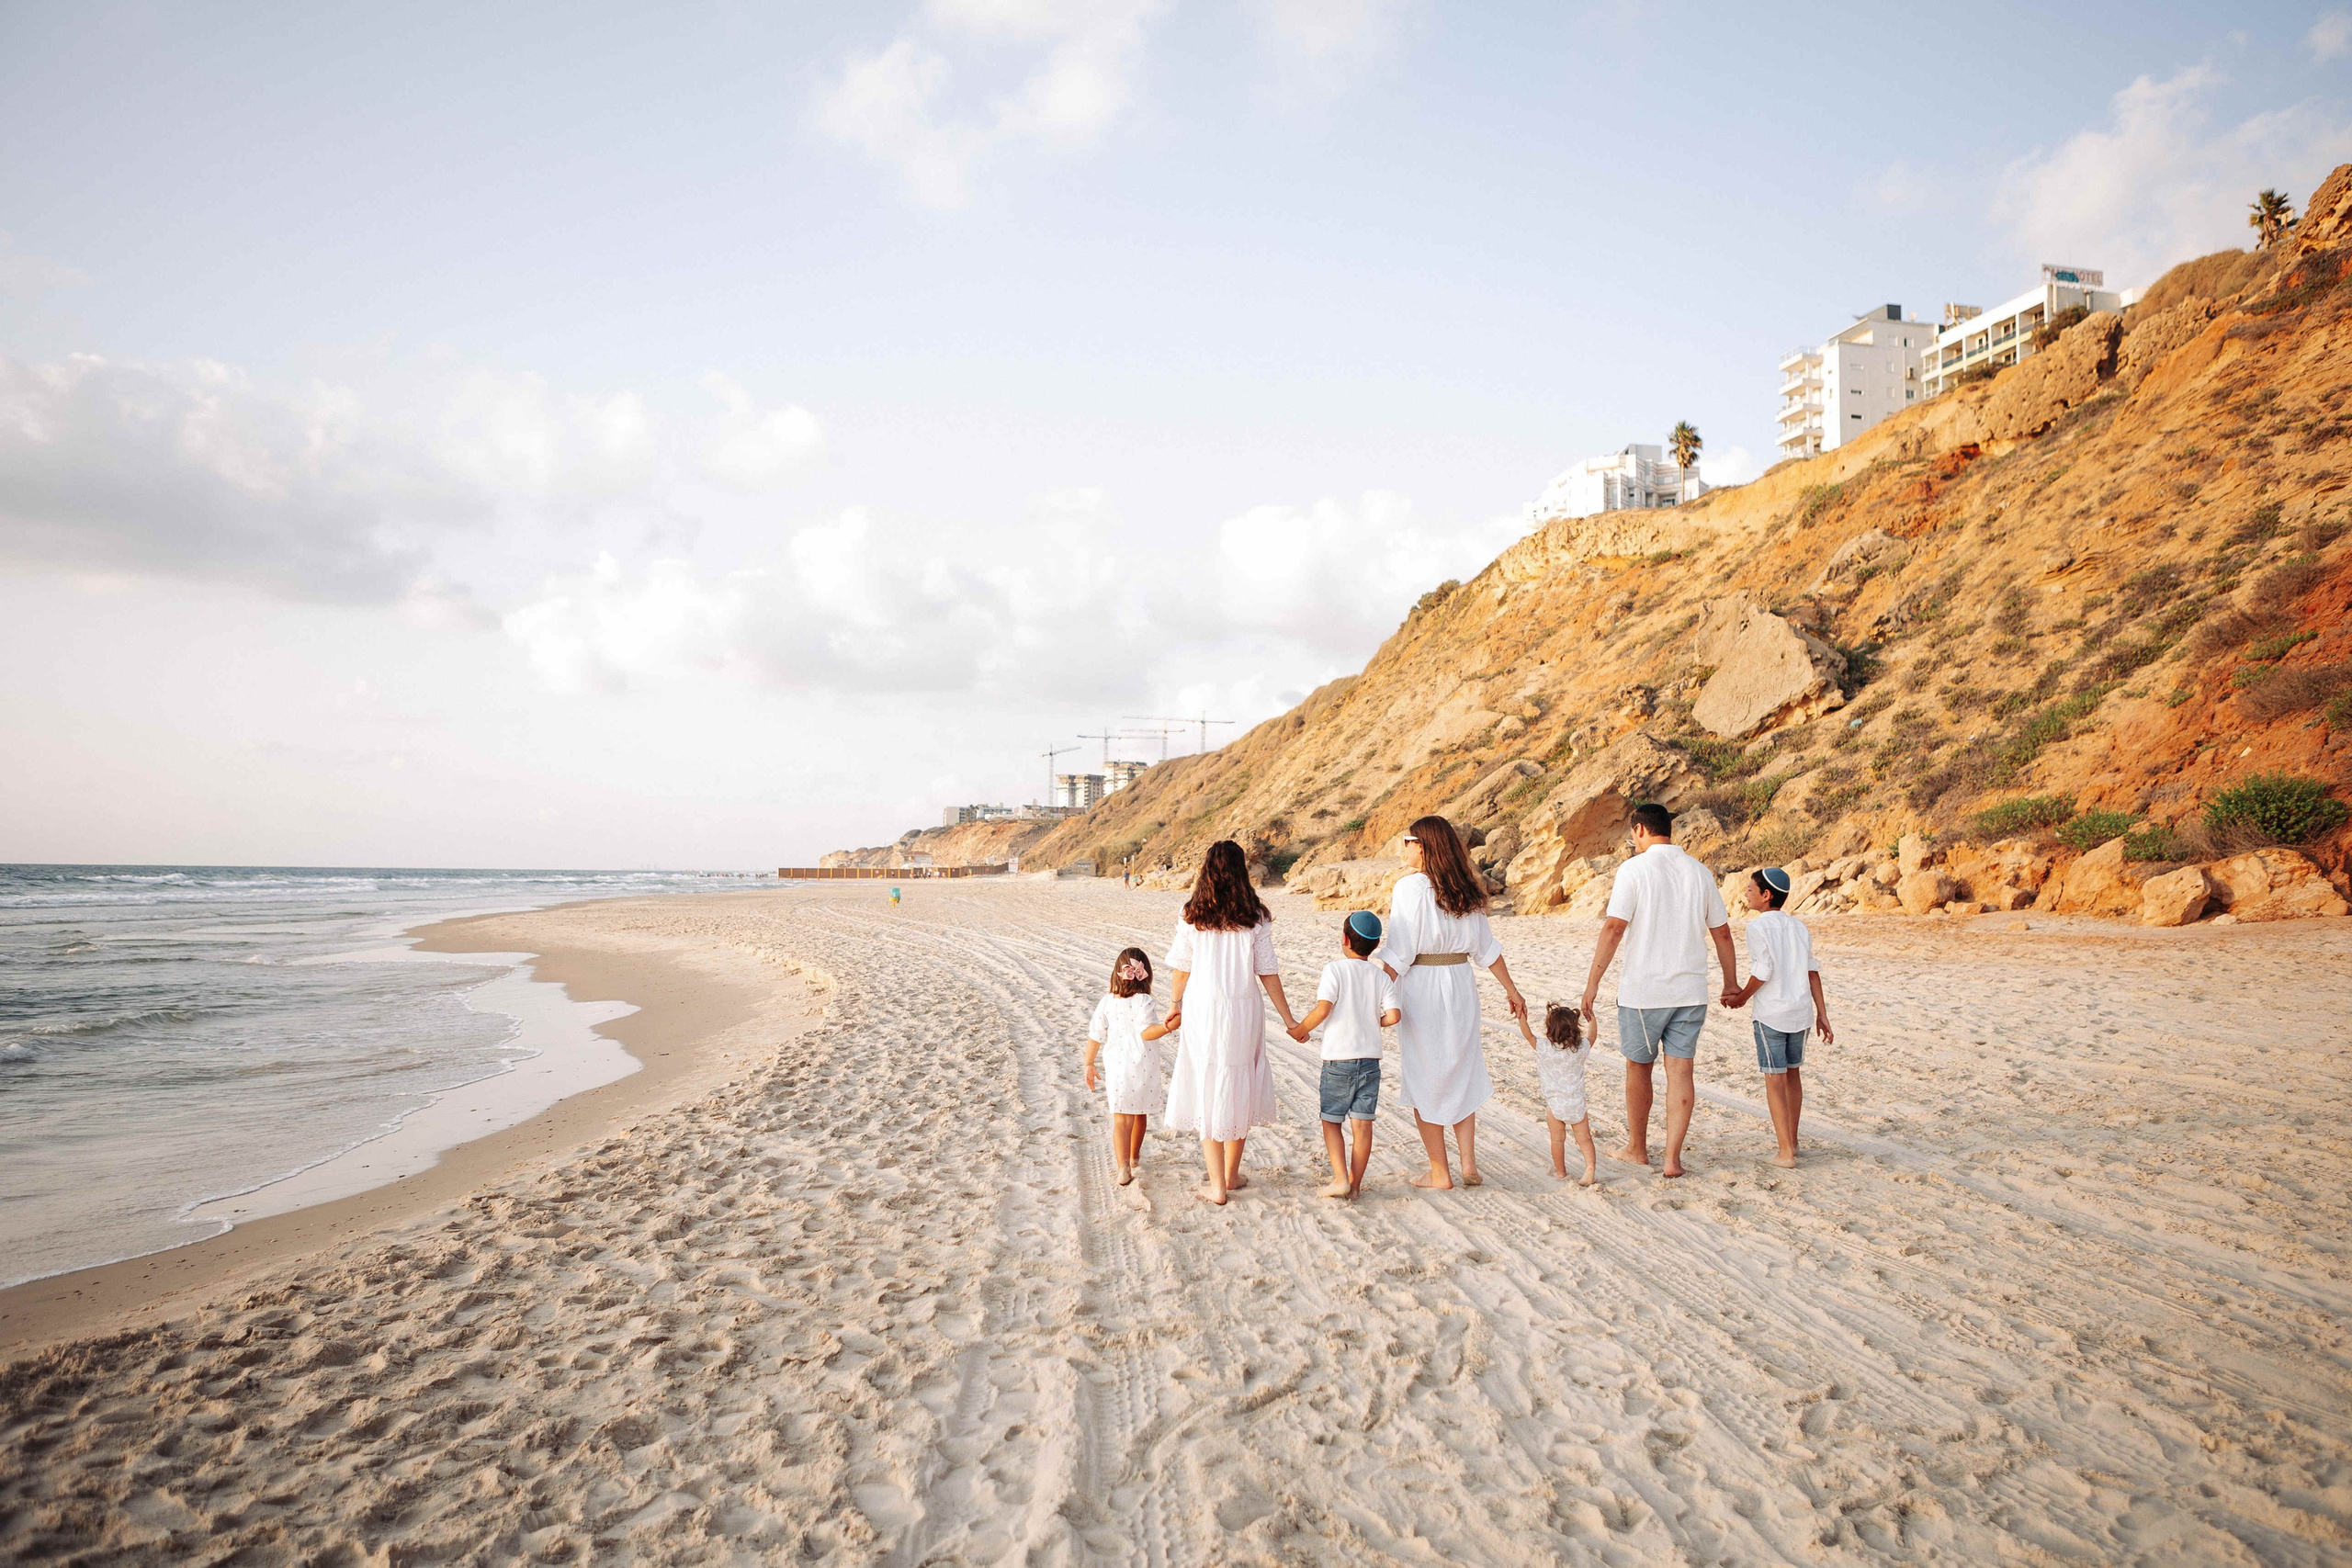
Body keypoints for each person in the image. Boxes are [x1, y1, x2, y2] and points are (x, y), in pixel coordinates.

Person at [1578, 802, 1739, 1179]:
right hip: (1690, 991)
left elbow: (1614, 927)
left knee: (1639, 1068)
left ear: (1639, 830)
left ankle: (1637, 1148)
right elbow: (1723, 932)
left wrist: (1593, 983)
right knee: (1681, 1071)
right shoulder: (1700, 872)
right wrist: (1730, 982)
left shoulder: (1634, 869)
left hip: (1643, 992)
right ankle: (1672, 1159)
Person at [1375, 815, 1528, 1190]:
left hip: (1423, 986)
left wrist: (1373, 993)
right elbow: (1486, 949)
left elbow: (1399, 952)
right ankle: (1469, 1164)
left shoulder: (1410, 888)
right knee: (1462, 1067)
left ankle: (1439, 1171)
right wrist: (1512, 989)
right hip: (1460, 984)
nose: (1405, 847)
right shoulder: (1466, 887)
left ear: (1424, 846)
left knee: (1424, 1074)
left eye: (1409, 840)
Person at [1164, 840, 1297, 1204]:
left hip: (1202, 1008)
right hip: (1243, 1009)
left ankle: (1217, 1185)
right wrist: (1289, 1019)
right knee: (1238, 1081)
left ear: (1206, 870)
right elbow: (1267, 973)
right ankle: (1231, 1174)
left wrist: (1175, 1005)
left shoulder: (1192, 913)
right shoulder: (1255, 915)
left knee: (1208, 1081)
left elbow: (1182, 969)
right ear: (1242, 871)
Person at [1724, 867, 1834, 1168]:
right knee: (1793, 1075)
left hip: (1772, 1014)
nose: (1746, 893)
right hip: (1801, 1013)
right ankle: (1793, 1142)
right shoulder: (1799, 927)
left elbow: (1763, 971)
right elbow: (1812, 971)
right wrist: (1822, 1013)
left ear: (1766, 895)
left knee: (1774, 1080)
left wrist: (1740, 999)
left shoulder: (1757, 927)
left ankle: (1785, 1153)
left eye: (1750, 889)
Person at [1287, 910, 1400, 1200]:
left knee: (1331, 1120)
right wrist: (1373, 1021)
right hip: (1371, 1063)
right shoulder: (1381, 977)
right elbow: (1394, 1016)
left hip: (1339, 1061)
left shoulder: (1334, 970)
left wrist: (1300, 1029)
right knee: (1362, 1124)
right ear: (1374, 946)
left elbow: (1323, 1010)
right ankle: (1356, 1185)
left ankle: (1340, 1178)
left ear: (1345, 939)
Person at [1083, 947, 1181, 1186]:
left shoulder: (1106, 1001)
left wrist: (1088, 1063)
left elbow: (1095, 1034)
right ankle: (1135, 1157)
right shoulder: (1145, 1001)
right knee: (1139, 1113)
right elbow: (1147, 1033)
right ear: (1145, 974)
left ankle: (1123, 1167)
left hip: (1116, 1065)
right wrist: (1168, 1027)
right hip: (1142, 1064)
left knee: (1121, 1118)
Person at [1516, 1001, 1599, 1185]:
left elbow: (1528, 1035)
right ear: (1575, 1029)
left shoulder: (1545, 1048)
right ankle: (1590, 1167)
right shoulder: (1580, 1049)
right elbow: (1592, 1037)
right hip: (1576, 1103)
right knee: (1584, 1139)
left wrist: (1521, 1016)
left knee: (1557, 1140)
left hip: (1556, 1105)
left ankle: (1561, 1172)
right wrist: (1592, 1018)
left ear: (1549, 1029)